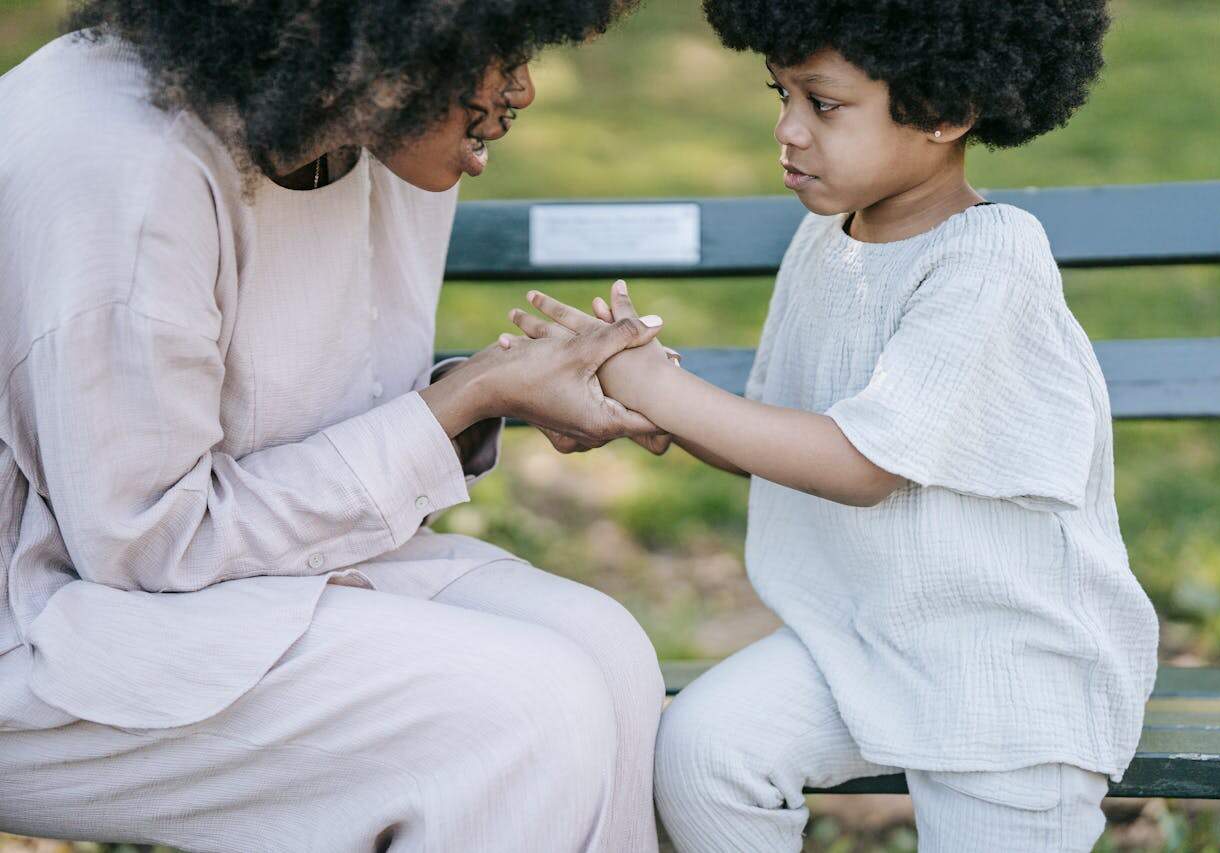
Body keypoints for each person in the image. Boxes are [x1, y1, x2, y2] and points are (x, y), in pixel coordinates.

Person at [0, 2, 671, 851]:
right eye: (492, 48)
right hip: (49, 614)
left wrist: (493, 394)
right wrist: (461, 399)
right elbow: (145, 543)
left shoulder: (365, 116)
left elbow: (320, 433)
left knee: (607, 655)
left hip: (228, 573)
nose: (524, 86)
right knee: (525, 716)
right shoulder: (127, 167)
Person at [504, 0, 1160, 849]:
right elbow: (783, 440)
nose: (787, 130)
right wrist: (641, 391)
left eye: (824, 102)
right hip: (862, 638)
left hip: (1006, 670)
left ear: (947, 109)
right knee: (706, 750)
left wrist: (663, 393)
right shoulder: (825, 244)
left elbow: (861, 464)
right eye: (778, 94)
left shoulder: (989, 259)